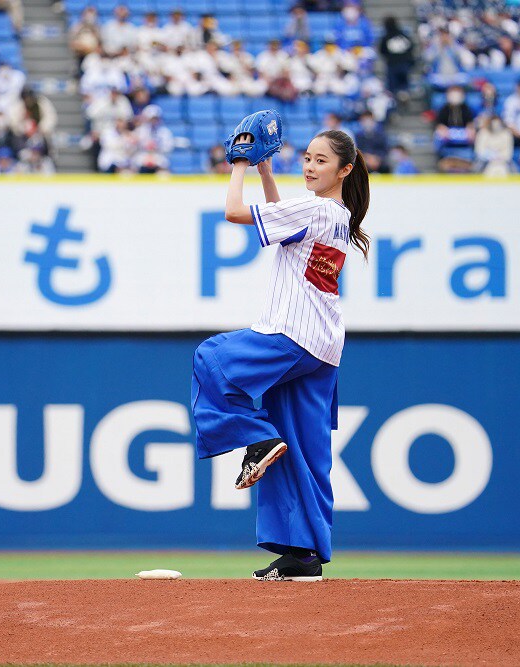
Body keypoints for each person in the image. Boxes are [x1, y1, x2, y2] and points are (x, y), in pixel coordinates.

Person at [192, 128, 370, 581]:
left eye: (322, 161)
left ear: (345, 170)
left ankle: (255, 435)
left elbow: (234, 211)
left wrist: (238, 165)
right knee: (306, 449)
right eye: (307, 158)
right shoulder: (338, 214)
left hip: (290, 333)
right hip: (325, 346)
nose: (310, 166)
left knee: (211, 359)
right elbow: (279, 220)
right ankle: (302, 557)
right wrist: (267, 170)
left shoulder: (314, 208)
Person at [378, 16, 414, 101]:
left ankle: (395, 100)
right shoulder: (403, 35)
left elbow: (382, 50)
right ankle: (404, 94)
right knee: (404, 83)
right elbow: (411, 46)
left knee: (393, 87)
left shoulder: (386, 37)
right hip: (404, 64)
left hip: (392, 65)